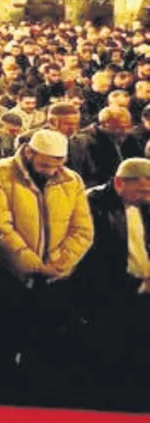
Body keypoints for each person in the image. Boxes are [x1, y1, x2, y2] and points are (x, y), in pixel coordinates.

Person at [0, 129, 93, 405]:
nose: (50, 171)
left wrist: (60, 263)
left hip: (56, 277)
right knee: (7, 338)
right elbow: (3, 228)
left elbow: (82, 230)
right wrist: (33, 264)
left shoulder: (71, 180)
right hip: (11, 275)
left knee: (46, 342)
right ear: (29, 152)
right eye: (45, 165)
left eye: (57, 165)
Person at [77, 158, 150, 410]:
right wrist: (133, 286)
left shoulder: (145, 204)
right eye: (142, 191)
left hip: (144, 294)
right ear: (119, 183)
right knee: (113, 362)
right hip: (110, 298)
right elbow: (92, 260)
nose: (148, 197)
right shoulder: (92, 205)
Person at [69, 106, 138, 188]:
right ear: (104, 125)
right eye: (119, 128)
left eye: (128, 126)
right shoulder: (82, 142)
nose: (125, 131)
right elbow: (84, 174)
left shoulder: (130, 138)